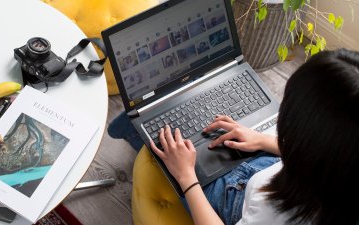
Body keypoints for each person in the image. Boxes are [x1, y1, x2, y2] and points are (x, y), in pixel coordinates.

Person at [150, 49, 359, 225]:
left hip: (248, 201)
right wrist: (262, 140)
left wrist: (187, 177)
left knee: (175, 155)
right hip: (285, 176)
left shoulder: (275, 214)